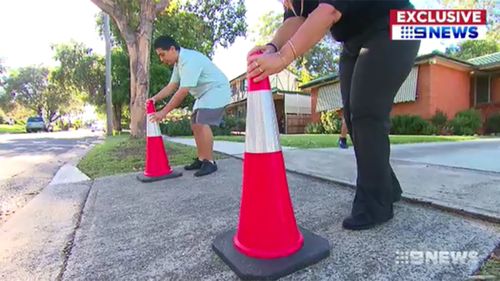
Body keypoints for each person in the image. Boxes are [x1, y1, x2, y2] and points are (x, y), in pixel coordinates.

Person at [247, 0, 420, 230]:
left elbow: (328, 11)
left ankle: (375, 205)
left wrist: (281, 58)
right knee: (352, 116)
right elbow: (295, 20)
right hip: (354, 39)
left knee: (366, 111)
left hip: (392, 24)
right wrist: (272, 47)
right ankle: (386, 185)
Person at [149, 35, 231, 177]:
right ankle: (201, 159)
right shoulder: (178, 63)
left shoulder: (189, 60)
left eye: (162, 54)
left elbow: (182, 92)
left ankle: (209, 162)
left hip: (217, 90)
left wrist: (163, 113)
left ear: (172, 49)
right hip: (204, 94)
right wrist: (154, 99)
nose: (161, 59)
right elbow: (171, 86)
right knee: (195, 123)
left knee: (201, 122)